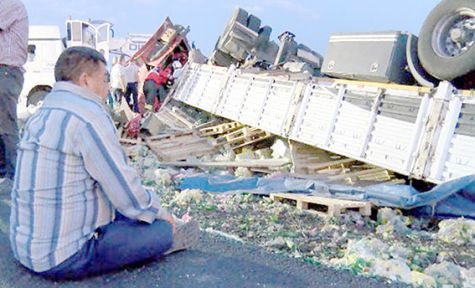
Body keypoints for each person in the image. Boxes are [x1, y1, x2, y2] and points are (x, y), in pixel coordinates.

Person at [10, 47, 199, 280]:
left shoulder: (40, 114)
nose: (108, 85)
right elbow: (124, 188)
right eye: (105, 78)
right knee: (160, 230)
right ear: (86, 80)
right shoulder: (88, 116)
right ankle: (165, 239)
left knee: (128, 213)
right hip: (61, 257)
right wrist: (161, 213)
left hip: (24, 249)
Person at [0, 0, 28, 192]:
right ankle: (4, 173)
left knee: (6, 123)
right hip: (4, 71)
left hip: (6, 71)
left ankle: (14, 175)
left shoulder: (10, 3)